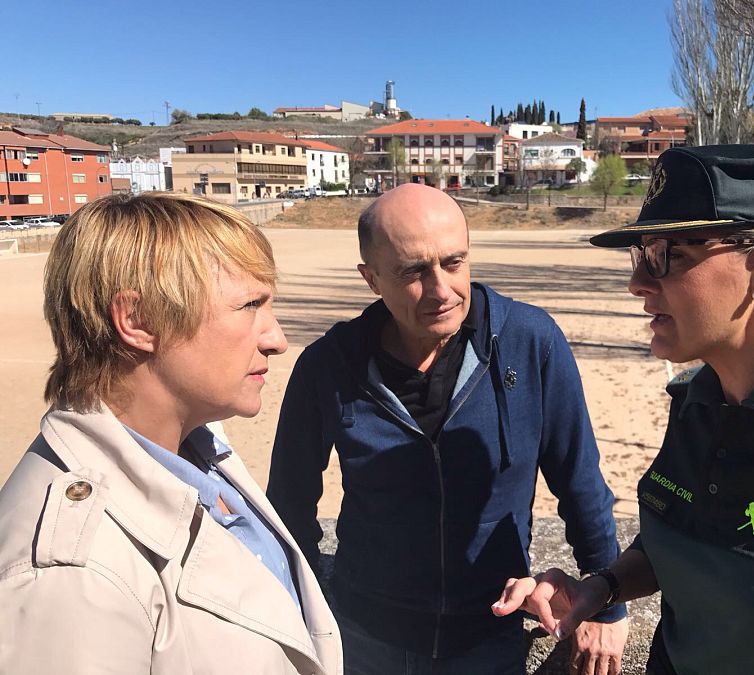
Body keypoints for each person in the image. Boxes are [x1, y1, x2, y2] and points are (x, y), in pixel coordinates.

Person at [493, 144, 754, 674]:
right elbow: (686, 533)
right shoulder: (697, 404)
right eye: (640, 255)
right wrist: (603, 586)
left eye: (670, 255)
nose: (639, 283)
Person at [267, 183, 628, 675]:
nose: (441, 290)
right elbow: (289, 502)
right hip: (365, 637)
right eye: (413, 271)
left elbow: (579, 478)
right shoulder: (328, 365)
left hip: (490, 635)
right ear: (371, 278)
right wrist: (301, 608)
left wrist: (605, 600)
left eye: (454, 262)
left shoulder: (530, 342)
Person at [0, 192, 342, 674]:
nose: (277, 339)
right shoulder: (69, 576)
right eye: (249, 306)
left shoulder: (195, 453)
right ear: (138, 321)